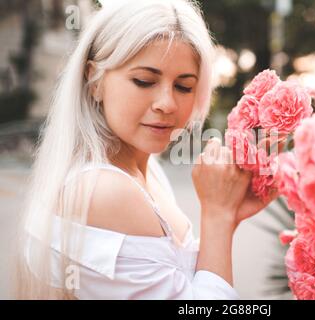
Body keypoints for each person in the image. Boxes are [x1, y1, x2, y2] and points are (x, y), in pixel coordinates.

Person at [15, 0, 277, 299]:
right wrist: (216, 215)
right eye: (144, 81)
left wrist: (227, 217)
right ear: (94, 80)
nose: (167, 103)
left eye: (184, 87)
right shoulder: (106, 189)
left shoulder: (147, 170)